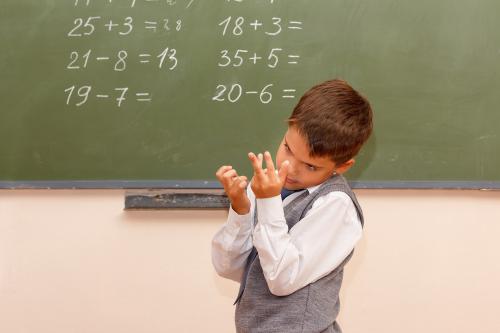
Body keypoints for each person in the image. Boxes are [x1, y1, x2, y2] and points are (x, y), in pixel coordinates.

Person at [212, 79, 373, 333]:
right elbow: (230, 269)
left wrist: (267, 203)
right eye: (287, 148)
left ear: (341, 166)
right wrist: (241, 209)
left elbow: (281, 279)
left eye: (310, 166)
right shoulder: (269, 188)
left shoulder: (336, 206)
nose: (290, 168)